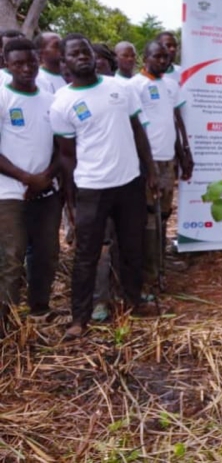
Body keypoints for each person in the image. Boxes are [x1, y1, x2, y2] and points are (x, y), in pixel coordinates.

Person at [50, 34, 160, 339]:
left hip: (129, 183)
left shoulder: (120, 88)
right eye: (74, 53)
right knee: (87, 255)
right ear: (65, 62)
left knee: (132, 248)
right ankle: (79, 318)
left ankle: (133, 301)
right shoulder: (62, 103)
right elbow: (66, 155)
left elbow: (138, 131)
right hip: (92, 188)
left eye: (85, 51)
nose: (82, 57)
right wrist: (71, 197)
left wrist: (150, 170)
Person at [0, 39, 60, 332]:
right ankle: (7, 322)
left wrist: (45, 177)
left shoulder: (50, 100)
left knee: (47, 253)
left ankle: (40, 308)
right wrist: (27, 178)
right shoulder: (2, 96)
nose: (26, 68)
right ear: (6, 64)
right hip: (9, 192)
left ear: (39, 60)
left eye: (31, 62)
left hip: (47, 190)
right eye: (18, 63)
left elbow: (63, 147)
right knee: (12, 257)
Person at [128, 40, 189, 293]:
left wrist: (184, 153)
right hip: (147, 162)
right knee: (149, 218)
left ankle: (160, 268)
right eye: (157, 57)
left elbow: (175, 121)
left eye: (166, 57)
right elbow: (134, 126)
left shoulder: (171, 85)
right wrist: (147, 166)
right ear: (145, 58)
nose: (163, 61)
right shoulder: (135, 86)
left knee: (163, 216)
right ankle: (148, 277)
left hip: (168, 160)